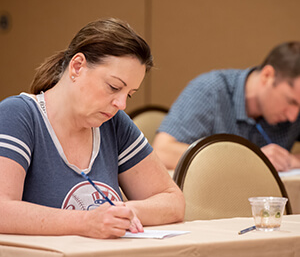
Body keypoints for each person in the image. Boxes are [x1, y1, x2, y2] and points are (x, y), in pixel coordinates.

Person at [0, 18, 185, 239]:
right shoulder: (18, 115)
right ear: (77, 67)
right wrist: (87, 221)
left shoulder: (114, 124)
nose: (121, 104)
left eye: (129, 94)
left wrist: (125, 213)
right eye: (113, 87)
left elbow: (173, 201)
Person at [153, 42, 300, 172]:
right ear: (267, 76)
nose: (293, 116)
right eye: (291, 101)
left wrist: (291, 161)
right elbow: (162, 151)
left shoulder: (295, 109)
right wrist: (248, 160)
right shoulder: (210, 91)